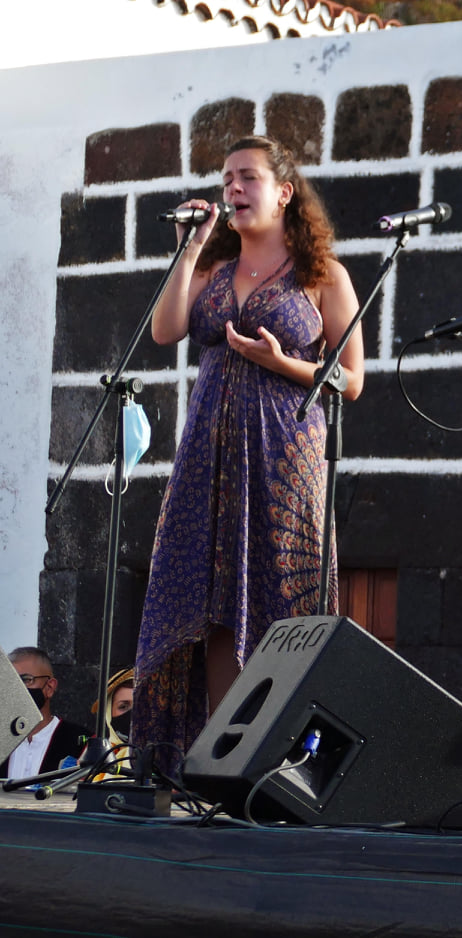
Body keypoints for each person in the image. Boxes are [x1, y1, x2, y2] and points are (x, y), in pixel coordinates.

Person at [135, 135, 363, 777]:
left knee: (278, 603)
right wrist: (190, 246)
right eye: (226, 178)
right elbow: (164, 331)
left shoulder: (324, 277)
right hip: (207, 455)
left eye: (247, 177)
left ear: (284, 192)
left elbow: (351, 379)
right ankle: (213, 763)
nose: (232, 188)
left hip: (284, 456)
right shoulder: (211, 265)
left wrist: (283, 362)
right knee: (207, 603)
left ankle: (277, 764)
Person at [2, 648, 91, 779]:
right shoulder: (2, 739)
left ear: (50, 687)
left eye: (26, 680)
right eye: (10, 682)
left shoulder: (81, 742)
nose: (16, 689)